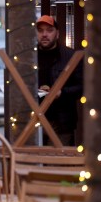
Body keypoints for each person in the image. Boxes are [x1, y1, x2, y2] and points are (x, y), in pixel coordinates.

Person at [36, 15, 83, 145]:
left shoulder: (71, 56)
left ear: (57, 34)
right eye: (40, 30)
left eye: (49, 30)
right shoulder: (29, 58)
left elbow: (82, 87)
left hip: (61, 123)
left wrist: (62, 92)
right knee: (33, 161)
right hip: (34, 121)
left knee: (59, 162)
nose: (44, 34)